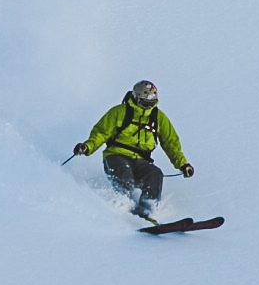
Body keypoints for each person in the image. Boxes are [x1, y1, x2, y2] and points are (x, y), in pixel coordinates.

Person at [72, 80, 194, 220]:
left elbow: (170, 142)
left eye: (151, 103)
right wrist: (87, 147)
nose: (148, 106)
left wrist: (182, 164)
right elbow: (101, 133)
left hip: (141, 161)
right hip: (116, 155)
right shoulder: (119, 112)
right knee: (125, 175)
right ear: (136, 98)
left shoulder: (158, 118)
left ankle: (147, 210)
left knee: (155, 174)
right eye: (144, 102)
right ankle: (122, 210)